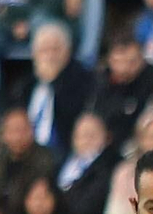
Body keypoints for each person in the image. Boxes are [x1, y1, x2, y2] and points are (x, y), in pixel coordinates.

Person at [17, 21, 95, 154]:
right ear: (34, 55)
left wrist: (55, 81)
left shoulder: (82, 79)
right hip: (27, 156)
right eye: (44, 50)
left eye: (55, 49)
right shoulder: (26, 85)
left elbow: (71, 117)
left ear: (68, 52)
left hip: (62, 152)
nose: (50, 56)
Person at [0, 106, 58, 214]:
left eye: (23, 130)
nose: (18, 137)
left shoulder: (45, 159)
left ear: (31, 131)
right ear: (4, 135)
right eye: (13, 131)